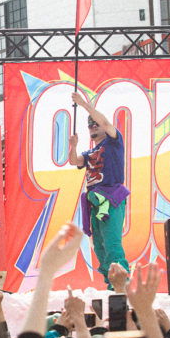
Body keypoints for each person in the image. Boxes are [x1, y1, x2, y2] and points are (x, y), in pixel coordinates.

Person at [67, 91, 129, 288]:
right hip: (95, 202)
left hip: (111, 198)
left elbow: (105, 123)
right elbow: (74, 161)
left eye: (96, 123)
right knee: (100, 248)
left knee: (111, 243)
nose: (93, 126)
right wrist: (73, 146)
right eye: (90, 125)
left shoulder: (113, 141)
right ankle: (112, 283)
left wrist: (84, 105)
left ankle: (122, 283)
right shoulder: (90, 153)